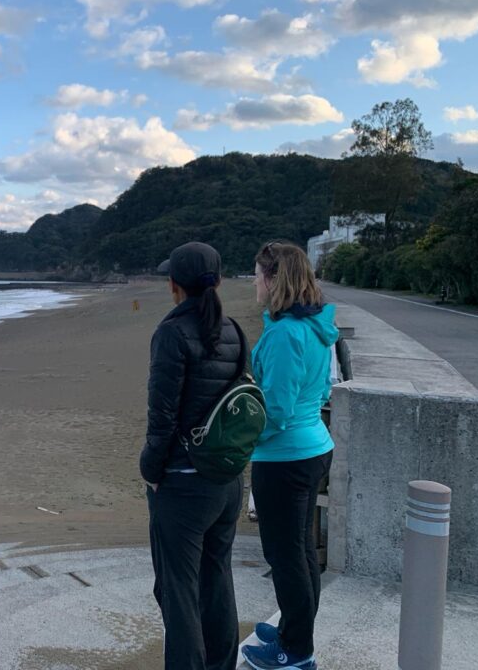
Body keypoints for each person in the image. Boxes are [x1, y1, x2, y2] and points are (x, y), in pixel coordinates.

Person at [140, 241, 245, 670]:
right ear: (217, 281)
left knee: (178, 592)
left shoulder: (171, 333)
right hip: (227, 480)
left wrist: (151, 470)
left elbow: (161, 416)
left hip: (184, 484)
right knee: (216, 580)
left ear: (174, 285)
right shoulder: (235, 330)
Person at [241, 242, 337, 670]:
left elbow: (276, 410)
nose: (255, 282)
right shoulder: (317, 325)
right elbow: (322, 392)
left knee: (285, 557)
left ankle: (296, 651)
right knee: (299, 551)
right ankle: (295, 633)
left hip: (285, 459)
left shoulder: (284, 333)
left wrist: (241, 438)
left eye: (259, 274)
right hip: (314, 447)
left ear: (275, 279)